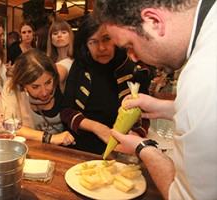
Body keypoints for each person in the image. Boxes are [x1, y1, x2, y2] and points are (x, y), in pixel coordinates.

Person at [93, 0, 217, 199]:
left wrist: (143, 148)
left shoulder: (203, 74)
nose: (133, 58)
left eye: (130, 46)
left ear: (154, 21)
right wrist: (167, 108)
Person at [60, 14, 152, 155]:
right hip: (78, 146)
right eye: (93, 42)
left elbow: (145, 114)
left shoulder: (132, 67)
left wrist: (136, 137)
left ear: (116, 39)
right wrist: (97, 128)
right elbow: (66, 111)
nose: (101, 48)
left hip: (122, 148)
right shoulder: (80, 65)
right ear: (86, 44)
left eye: (106, 39)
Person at [0, 49, 75, 146]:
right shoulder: (13, 86)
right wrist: (49, 138)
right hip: (33, 149)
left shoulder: (59, 75)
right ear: (23, 83)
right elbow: (4, 125)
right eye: (35, 86)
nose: (44, 91)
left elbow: (69, 63)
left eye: (48, 82)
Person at [46, 19, 74, 92]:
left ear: (70, 35)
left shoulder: (77, 60)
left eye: (64, 32)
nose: (59, 35)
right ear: (51, 39)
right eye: (55, 33)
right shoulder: (47, 61)